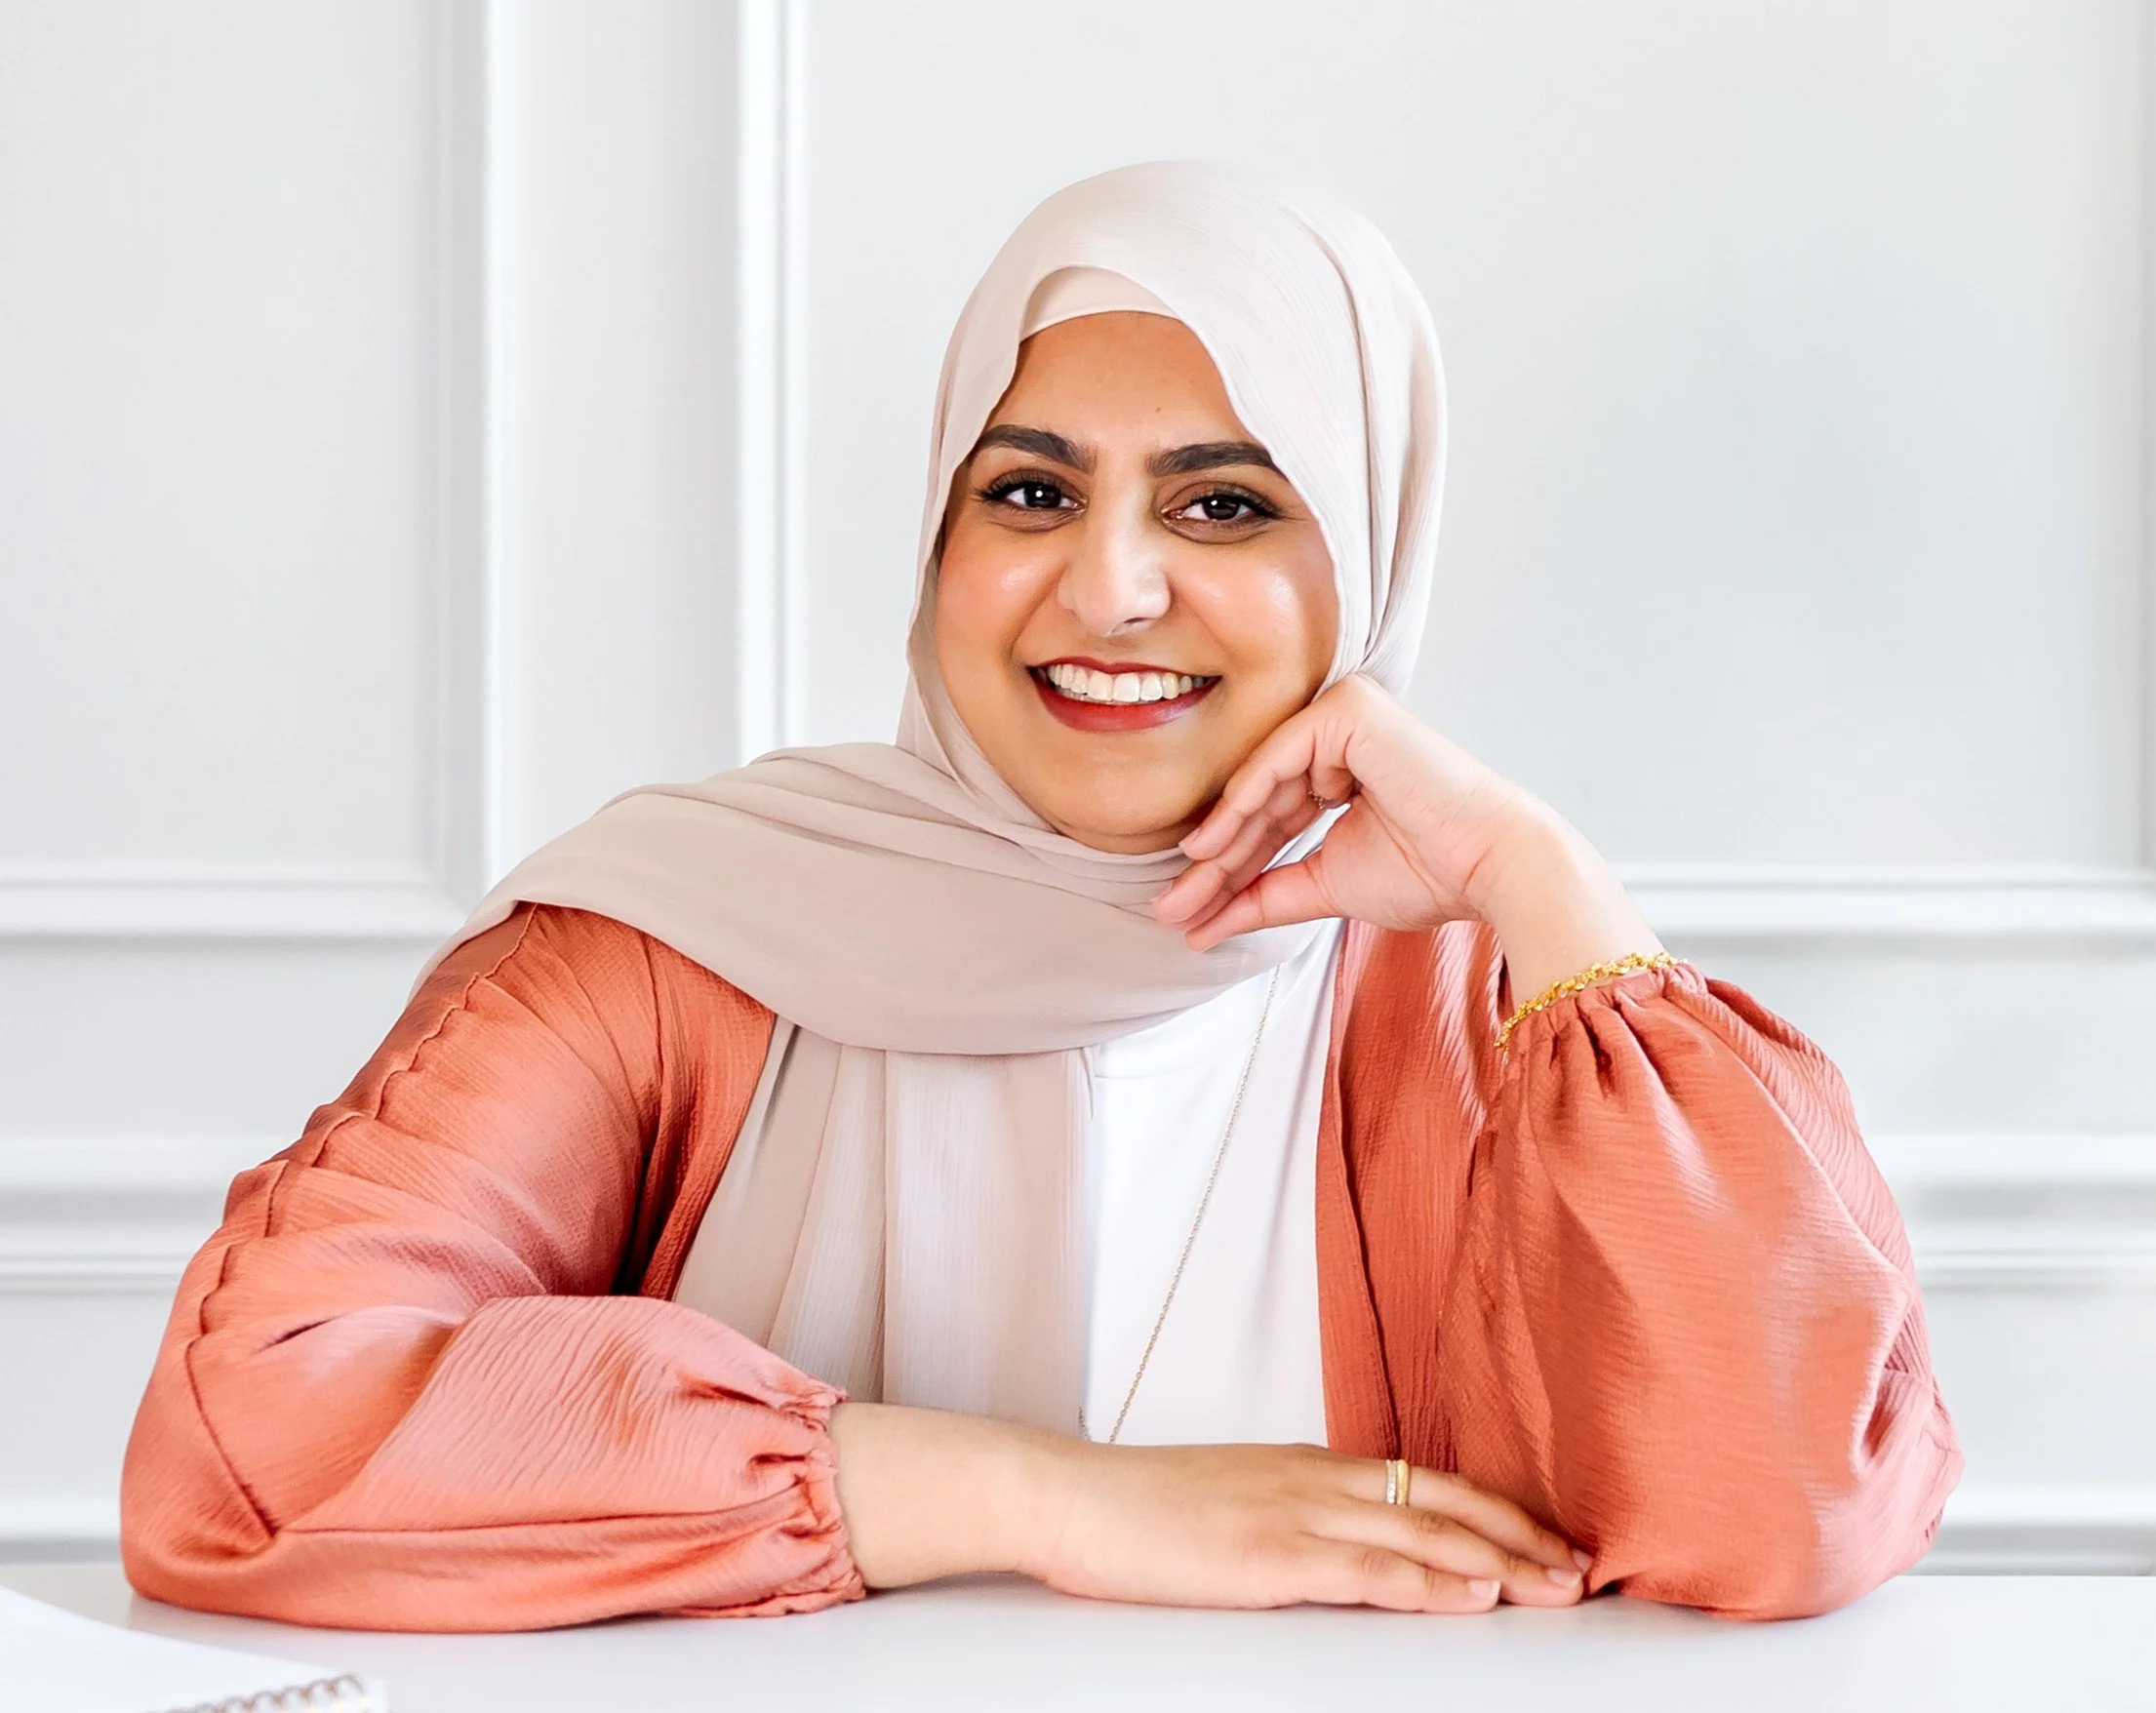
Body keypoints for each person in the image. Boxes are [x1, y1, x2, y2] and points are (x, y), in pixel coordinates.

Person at [119, 162, 1960, 1631]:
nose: (1113, 591)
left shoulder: (1483, 1013)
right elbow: (243, 1443)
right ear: (934, 543)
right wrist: (1035, 1499)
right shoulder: (665, 945)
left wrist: (1546, 886)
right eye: (1028, 493)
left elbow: (1785, 1504)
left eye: (1225, 507)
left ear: (1370, 564)